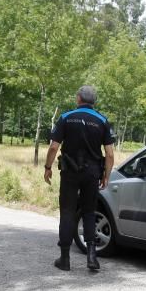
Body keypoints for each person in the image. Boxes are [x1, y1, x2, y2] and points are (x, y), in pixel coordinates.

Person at [43, 85, 115, 272]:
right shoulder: (102, 120)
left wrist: (47, 167)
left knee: (67, 211)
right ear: (94, 101)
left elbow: (53, 147)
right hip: (92, 173)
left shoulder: (66, 117)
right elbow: (109, 154)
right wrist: (106, 175)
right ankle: (92, 257)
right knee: (89, 212)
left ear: (78, 99)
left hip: (70, 172)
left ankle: (65, 259)